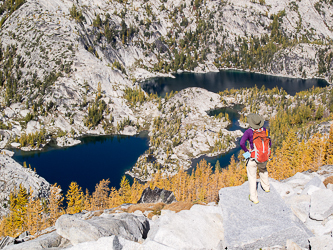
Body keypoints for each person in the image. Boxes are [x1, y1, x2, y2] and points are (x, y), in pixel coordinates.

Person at [240, 113, 271, 204]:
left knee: (252, 176)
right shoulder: (264, 130)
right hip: (263, 156)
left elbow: (242, 143)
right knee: (263, 170)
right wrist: (265, 153)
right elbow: (269, 142)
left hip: (253, 157)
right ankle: (266, 187)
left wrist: (247, 151)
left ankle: (254, 197)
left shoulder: (249, 132)